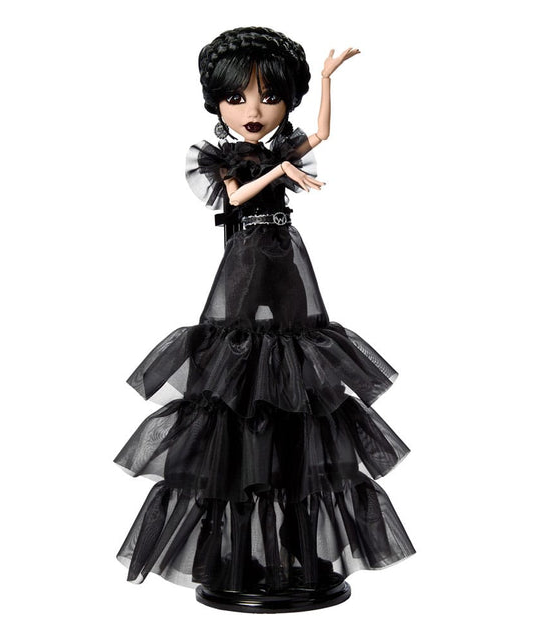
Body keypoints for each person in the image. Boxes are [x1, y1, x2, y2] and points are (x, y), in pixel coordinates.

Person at [114, 26, 416, 612]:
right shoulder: (222, 157)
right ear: (217, 104)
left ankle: (298, 550)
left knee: (299, 365)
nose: (253, 111)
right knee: (242, 370)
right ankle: (233, 553)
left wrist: (326, 80)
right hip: (247, 259)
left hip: (286, 260)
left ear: (286, 100)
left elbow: (322, 134)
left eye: (269, 97)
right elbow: (236, 198)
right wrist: (281, 173)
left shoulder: (283, 147)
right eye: (237, 98)